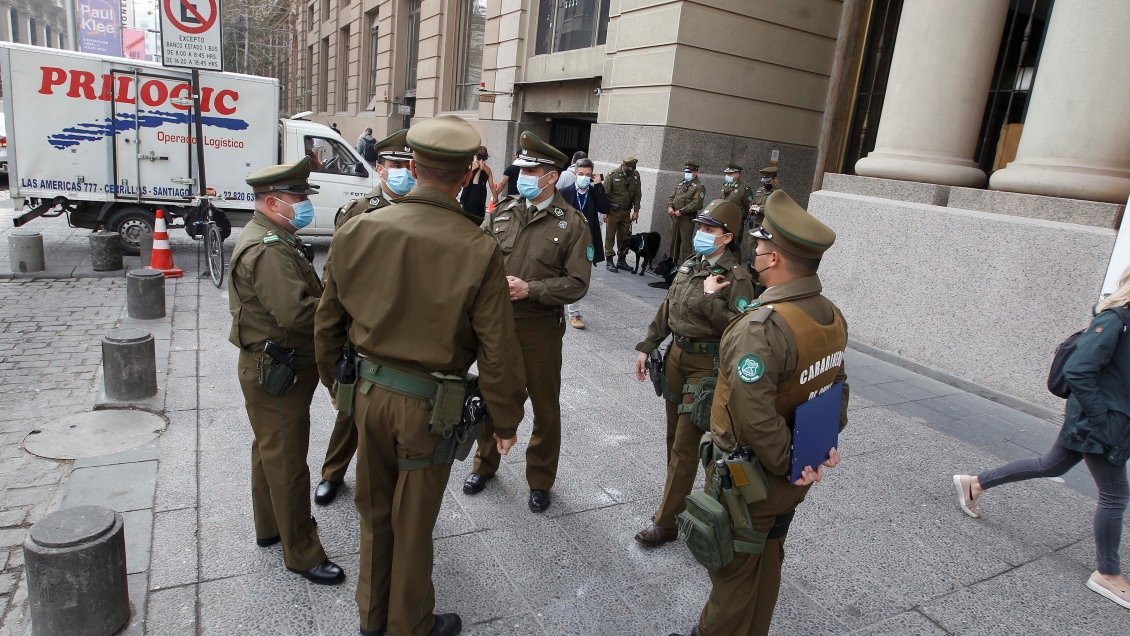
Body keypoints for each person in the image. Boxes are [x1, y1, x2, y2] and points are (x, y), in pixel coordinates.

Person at [314, 115, 528, 636]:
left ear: (413, 166)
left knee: (373, 509)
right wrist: (505, 419)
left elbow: (327, 323)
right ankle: (409, 622)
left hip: (367, 391)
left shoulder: (358, 228)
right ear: (466, 176)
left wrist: (340, 389)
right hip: (431, 406)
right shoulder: (478, 248)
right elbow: (497, 349)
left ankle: (372, 617)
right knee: (414, 521)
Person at [672, 190, 848, 636]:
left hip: (752, 479)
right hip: (794, 472)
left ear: (774, 259)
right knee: (767, 563)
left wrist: (789, 464)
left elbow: (753, 416)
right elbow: (836, 390)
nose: (757, 252)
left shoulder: (762, 326)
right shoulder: (828, 314)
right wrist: (814, 453)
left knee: (731, 573)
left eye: (762, 245)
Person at [952, 266, 1130, 611]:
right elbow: (1079, 369)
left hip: (1104, 421)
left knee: (1050, 465)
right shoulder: (1116, 319)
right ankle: (1108, 574)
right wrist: (1102, 420)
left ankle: (975, 483)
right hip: (1100, 424)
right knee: (1114, 495)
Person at [227, 156, 345, 586]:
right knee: (289, 461)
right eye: (299, 197)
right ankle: (302, 552)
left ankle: (270, 529)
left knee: (269, 452)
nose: (305, 204)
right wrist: (343, 310)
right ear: (274, 201)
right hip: (278, 370)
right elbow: (296, 313)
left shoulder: (275, 235)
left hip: (275, 365)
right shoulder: (267, 248)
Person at [462, 131, 593, 513]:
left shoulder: (572, 223)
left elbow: (577, 283)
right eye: (521, 169)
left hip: (539, 329)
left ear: (551, 176)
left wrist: (531, 289)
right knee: (493, 396)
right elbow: (477, 255)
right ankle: (485, 465)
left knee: (545, 408)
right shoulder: (504, 210)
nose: (522, 176)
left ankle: (540, 480)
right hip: (496, 325)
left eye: (531, 170)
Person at [632, 200, 754, 546]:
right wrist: (647, 344)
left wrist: (711, 298)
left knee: (686, 445)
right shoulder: (691, 263)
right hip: (676, 358)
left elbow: (740, 329)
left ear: (727, 237)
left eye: (709, 230)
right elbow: (669, 306)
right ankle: (701, 505)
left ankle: (667, 522)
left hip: (707, 366)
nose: (700, 234)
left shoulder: (736, 278)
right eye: (699, 227)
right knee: (676, 441)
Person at [313, 129, 414, 508]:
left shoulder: (424, 212)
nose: (403, 172)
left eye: (409, 166)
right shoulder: (357, 212)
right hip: (364, 327)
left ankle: (395, 481)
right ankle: (332, 473)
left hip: (407, 328)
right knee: (350, 407)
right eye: (396, 165)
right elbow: (335, 278)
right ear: (380, 168)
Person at [559, 158, 609, 329]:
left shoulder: (595, 192)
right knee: (560, 273)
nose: (584, 177)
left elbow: (605, 208)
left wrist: (599, 186)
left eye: (588, 175)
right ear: (575, 174)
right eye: (581, 174)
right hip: (566, 239)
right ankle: (557, 305)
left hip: (586, 241)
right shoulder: (565, 192)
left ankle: (574, 313)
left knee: (579, 275)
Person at [603, 156, 642, 272]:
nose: (631, 170)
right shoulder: (612, 175)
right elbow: (605, 195)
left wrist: (636, 211)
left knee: (624, 237)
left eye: (633, 168)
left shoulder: (635, 175)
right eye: (629, 167)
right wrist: (605, 212)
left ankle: (621, 260)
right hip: (613, 211)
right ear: (623, 164)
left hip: (626, 212)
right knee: (610, 236)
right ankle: (609, 260)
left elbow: (637, 194)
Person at [667, 161, 706, 265]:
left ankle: (685, 267)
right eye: (686, 171)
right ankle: (671, 264)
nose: (687, 174)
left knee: (685, 245)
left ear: (695, 173)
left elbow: (697, 204)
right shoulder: (682, 183)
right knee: (673, 243)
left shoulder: (699, 186)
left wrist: (682, 210)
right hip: (675, 217)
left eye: (690, 172)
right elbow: (672, 197)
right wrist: (670, 206)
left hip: (686, 219)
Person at [720, 164, 756, 260]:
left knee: (734, 245)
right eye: (726, 173)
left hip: (736, 222)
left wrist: (741, 217)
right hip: (724, 220)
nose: (727, 176)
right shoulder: (725, 186)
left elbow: (750, 206)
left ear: (737, 174)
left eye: (730, 174)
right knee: (723, 244)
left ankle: (736, 269)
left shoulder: (744, 188)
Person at [744, 166, 778, 258]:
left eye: (768, 181)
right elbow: (752, 202)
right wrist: (753, 206)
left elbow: (774, 209)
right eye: (764, 181)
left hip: (766, 227)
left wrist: (759, 209)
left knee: (763, 253)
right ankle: (749, 271)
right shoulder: (760, 190)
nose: (766, 183)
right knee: (750, 250)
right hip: (754, 226)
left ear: (775, 180)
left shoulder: (778, 193)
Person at [459, 146, 496, 221]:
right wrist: (495, 197)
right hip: (481, 194)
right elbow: (492, 186)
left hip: (470, 193)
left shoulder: (471, 166)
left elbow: (465, 181)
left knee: (467, 217)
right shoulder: (488, 170)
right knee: (479, 217)